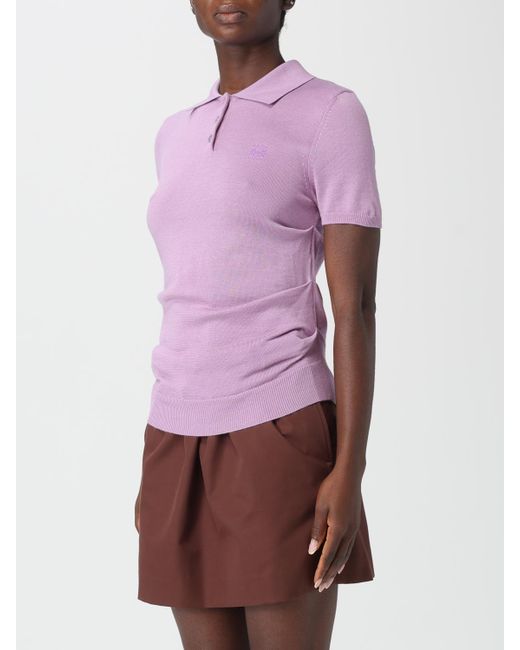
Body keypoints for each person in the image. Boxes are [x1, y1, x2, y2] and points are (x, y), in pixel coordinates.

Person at [135, 1, 382, 647]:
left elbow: (355, 305)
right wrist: (157, 459)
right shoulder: (175, 131)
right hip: (173, 430)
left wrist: (350, 469)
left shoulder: (330, 113)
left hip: (277, 423)